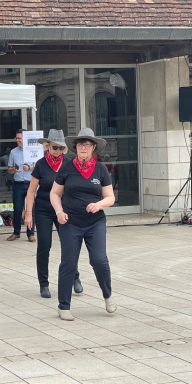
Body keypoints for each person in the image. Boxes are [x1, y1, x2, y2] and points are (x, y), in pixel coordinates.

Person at [50, 128, 116, 321]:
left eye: (87, 144)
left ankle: (107, 295)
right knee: (69, 263)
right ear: (75, 148)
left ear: (93, 147)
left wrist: (99, 205)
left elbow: (110, 197)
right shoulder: (67, 168)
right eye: (80, 144)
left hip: (95, 222)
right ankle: (64, 306)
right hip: (70, 223)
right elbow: (54, 193)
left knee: (99, 260)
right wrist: (59, 212)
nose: (83, 147)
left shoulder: (101, 169)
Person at [25, 130, 83, 299]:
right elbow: (30, 191)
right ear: (48, 146)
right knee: (44, 245)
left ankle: (75, 278)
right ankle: (44, 283)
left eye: (61, 148)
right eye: (54, 147)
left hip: (64, 209)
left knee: (69, 244)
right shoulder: (41, 164)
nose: (57, 151)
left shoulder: (69, 163)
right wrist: (28, 213)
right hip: (43, 208)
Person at [7, 129, 35, 242]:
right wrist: (13, 170)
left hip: (30, 184)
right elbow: (9, 169)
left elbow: (38, 166)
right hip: (18, 184)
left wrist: (29, 168)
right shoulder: (13, 152)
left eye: (19, 138)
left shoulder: (33, 150)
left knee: (31, 209)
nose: (17, 140)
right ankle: (16, 232)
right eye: (16, 138)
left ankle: (31, 233)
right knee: (17, 209)